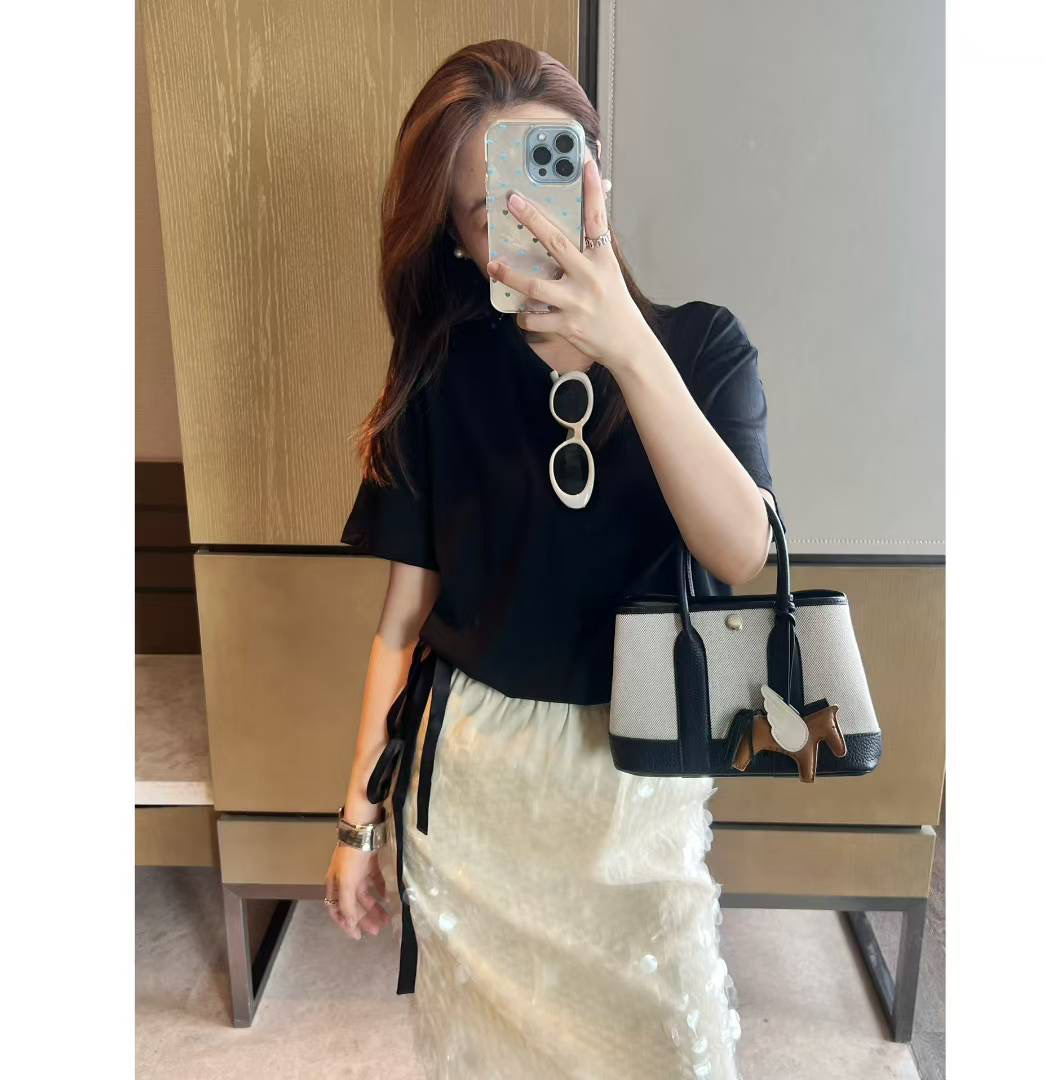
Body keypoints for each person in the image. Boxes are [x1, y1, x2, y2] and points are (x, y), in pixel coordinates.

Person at [324, 38, 781, 1080]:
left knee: (674, 1051)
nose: (534, 220)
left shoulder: (703, 349)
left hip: (636, 796)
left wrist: (625, 343)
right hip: (475, 793)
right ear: (457, 239)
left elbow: (742, 549)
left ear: (599, 174)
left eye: (557, 176)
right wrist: (356, 819)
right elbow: (402, 621)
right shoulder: (441, 371)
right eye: (495, 208)